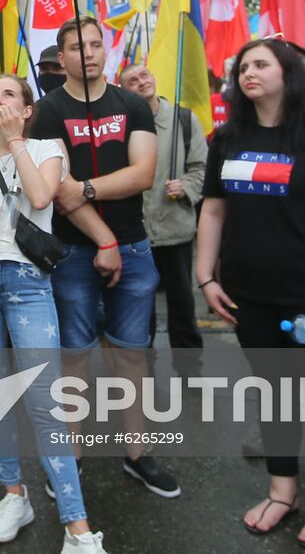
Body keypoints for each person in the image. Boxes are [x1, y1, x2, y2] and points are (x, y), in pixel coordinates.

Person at [196, 37, 305, 549]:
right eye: (242, 66)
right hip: (250, 298)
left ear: (288, 72)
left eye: (261, 64)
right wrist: (206, 276)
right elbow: (213, 209)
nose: (249, 72)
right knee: (276, 396)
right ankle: (282, 490)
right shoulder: (226, 138)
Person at [0, 74, 106, 552]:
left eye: (9, 94)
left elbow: (39, 198)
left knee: (44, 400)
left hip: (27, 281)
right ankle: (14, 494)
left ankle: (77, 526)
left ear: (28, 109)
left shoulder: (48, 147)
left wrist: (15, 143)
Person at [30, 16, 181, 498]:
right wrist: (104, 241)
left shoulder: (132, 104)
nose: (89, 53)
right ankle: (69, 464)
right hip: (73, 252)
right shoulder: (48, 112)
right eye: (78, 47)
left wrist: (89, 189)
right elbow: (56, 190)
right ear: (63, 57)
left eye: (96, 45)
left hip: (136, 246)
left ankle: (138, 456)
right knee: (72, 360)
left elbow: (142, 175)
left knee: (131, 358)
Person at [117, 63, 207, 376]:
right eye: (131, 81)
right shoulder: (122, 126)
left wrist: (188, 186)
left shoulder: (183, 119)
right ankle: (145, 373)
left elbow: (201, 167)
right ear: (123, 90)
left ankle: (190, 372)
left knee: (183, 308)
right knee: (140, 312)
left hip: (176, 230)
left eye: (144, 76)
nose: (141, 83)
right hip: (136, 233)